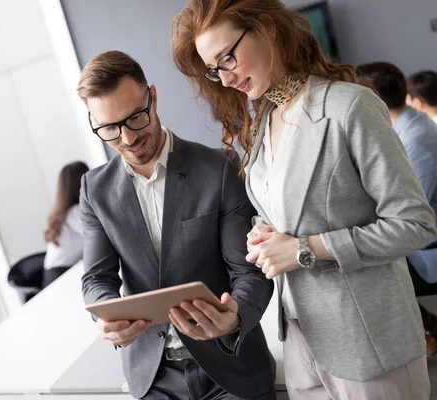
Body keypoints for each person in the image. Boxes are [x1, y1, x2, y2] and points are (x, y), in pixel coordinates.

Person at [171, 1, 437, 399]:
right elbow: (279, 210)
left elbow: (415, 225)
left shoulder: (350, 107)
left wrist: (305, 249)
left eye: (228, 58)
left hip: (368, 343)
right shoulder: (264, 119)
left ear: (267, 28)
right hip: (301, 341)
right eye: (215, 69)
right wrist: (263, 233)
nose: (224, 79)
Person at [78, 50, 275, 399]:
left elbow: (249, 271)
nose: (127, 138)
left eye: (135, 117)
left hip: (230, 368)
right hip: (154, 378)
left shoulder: (218, 168)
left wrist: (236, 315)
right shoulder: (95, 190)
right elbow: (97, 279)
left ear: (152, 98)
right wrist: (107, 318)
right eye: (109, 128)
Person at [358, 62, 437, 355]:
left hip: (426, 244)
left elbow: (410, 209)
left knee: (365, 264)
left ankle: (424, 334)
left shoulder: (416, 140)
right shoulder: (411, 125)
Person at [43, 161, 89, 287]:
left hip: (55, 273)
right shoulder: (74, 212)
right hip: (61, 276)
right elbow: (97, 235)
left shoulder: (63, 212)